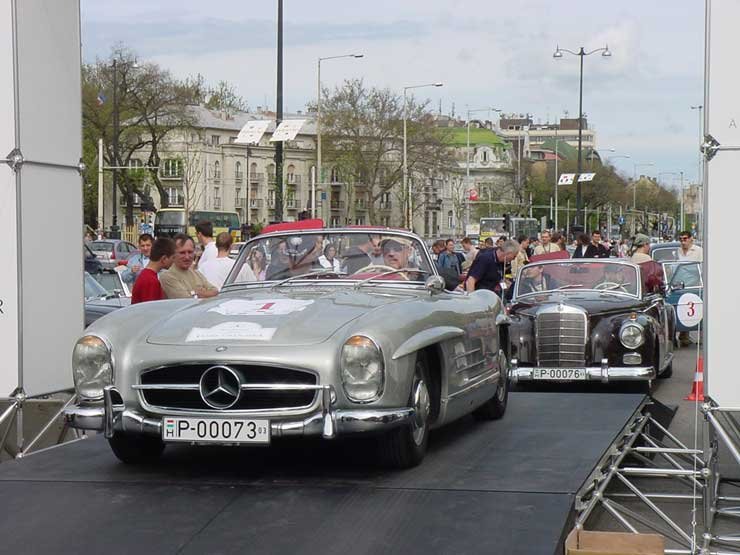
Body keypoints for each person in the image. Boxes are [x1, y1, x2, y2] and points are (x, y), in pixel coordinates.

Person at [159, 233, 219, 299]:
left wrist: (195, 293)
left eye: (190, 252)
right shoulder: (167, 277)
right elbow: (186, 300)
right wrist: (201, 293)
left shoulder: (197, 274)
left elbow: (216, 292)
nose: (187, 257)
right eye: (182, 253)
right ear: (173, 254)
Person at [131, 237, 176, 304]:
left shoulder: (146, 275)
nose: (174, 261)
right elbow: (151, 310)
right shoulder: (151, 281)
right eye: (173, 258)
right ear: (164, 259)